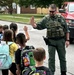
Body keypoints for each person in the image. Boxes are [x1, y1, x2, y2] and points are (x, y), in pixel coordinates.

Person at [30, 4, 70, 75]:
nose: (51, 13)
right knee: (51, 59)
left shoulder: (61, 18)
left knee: (62, 58)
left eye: (53, 11)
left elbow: (67, 30)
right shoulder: (46, 18)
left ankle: (63, 72)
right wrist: (33, 25)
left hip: (60, 40)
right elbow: (39, 26)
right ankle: (51, 73)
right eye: (50, 11)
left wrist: (67, 40)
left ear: (56, 11)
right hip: (51, 41)